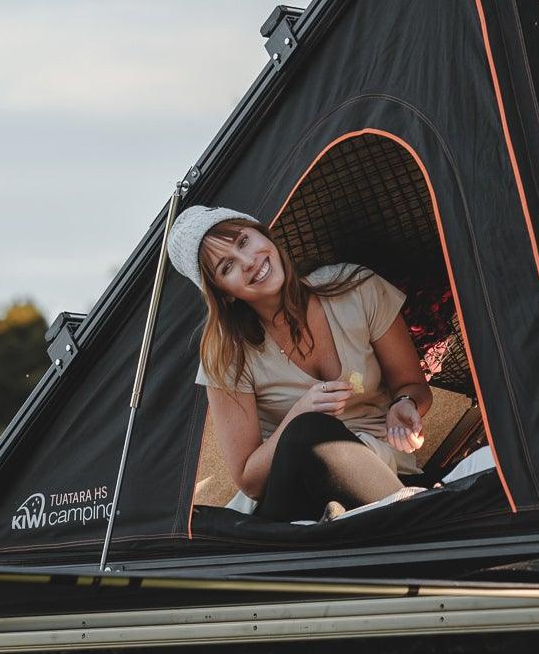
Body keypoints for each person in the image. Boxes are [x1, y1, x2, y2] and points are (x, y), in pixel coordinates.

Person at [167, 204, 432, 522]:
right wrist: (298, 414)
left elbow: (413, 386)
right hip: (298, 497)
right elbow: (250, 481)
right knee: (309, 430)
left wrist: (406, 404)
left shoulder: (356, 287)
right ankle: (420, 524)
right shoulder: (226, 355)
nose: (249, 262)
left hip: (384, 472)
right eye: (227, 268)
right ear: (224, 294)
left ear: (262, 233)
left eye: (243, 242)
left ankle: (409, 521)